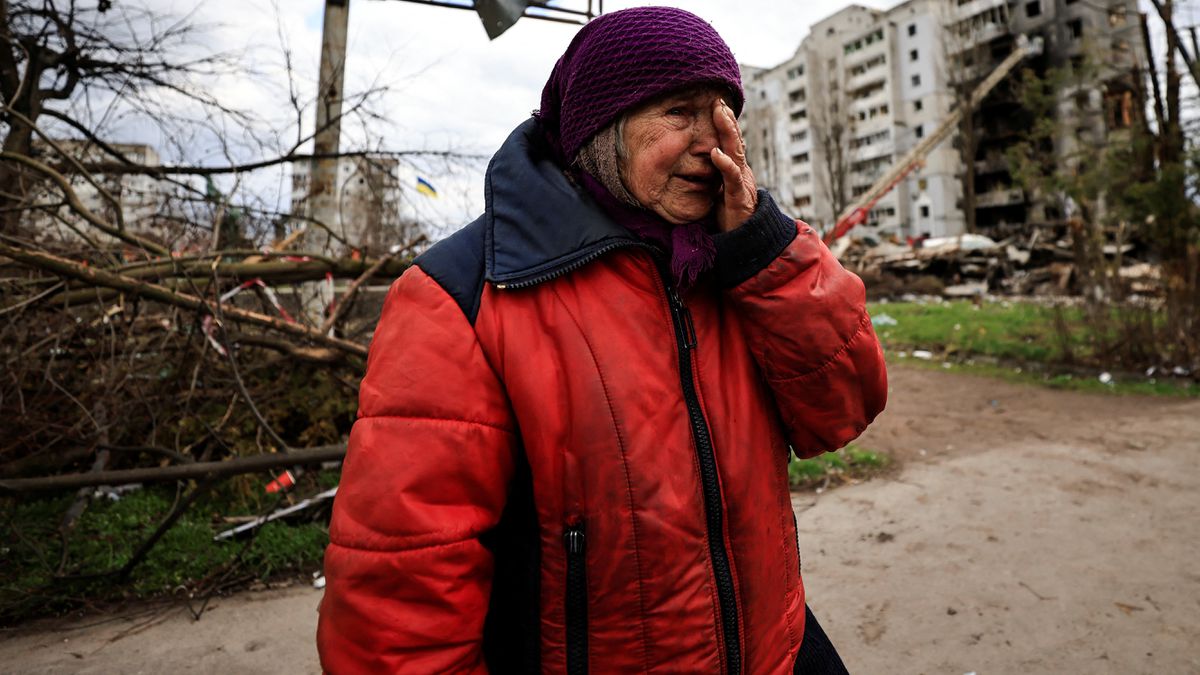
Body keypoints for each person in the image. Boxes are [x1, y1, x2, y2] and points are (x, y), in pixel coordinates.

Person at [316, 7, 886, 673]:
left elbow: (842, 407)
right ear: (599, 126)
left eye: (725, 115)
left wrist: (765, 250)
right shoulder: (466, 293)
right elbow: (399, 598)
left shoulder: (736, 259)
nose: (715, 145)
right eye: (680, 112)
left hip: (774, 652)